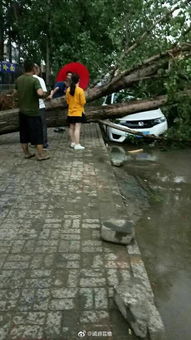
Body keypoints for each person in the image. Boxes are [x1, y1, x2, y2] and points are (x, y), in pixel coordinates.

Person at [15, 60, 50, 161]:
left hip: (22, 112)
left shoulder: (18, 80)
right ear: (33, 69)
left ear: (23, 68)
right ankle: (40, 154)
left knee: (24, 134)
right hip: (33, 112)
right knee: (38, 134)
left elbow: (15, 93)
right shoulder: (34, 80)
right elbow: (39, 93)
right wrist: (44, 94)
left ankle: (26, 153)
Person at [66, 73, 86, 150]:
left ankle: (73, 142)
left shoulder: (68, 90)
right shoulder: (80, 90)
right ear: (79, 80)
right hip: (78, 112)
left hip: (70, 112)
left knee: (71, 128)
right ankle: (77, 144)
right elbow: (83, 102)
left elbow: (67, 101)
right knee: (77, 128)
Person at [33, 64, 48, 149]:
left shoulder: (26, 79)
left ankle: (34, 143)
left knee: (33, 125)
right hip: (40, 106)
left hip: (29, 107)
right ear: (36, 70)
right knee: (42, 126)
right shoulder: (39, 80)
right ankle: (43, 143)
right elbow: (44, 93)